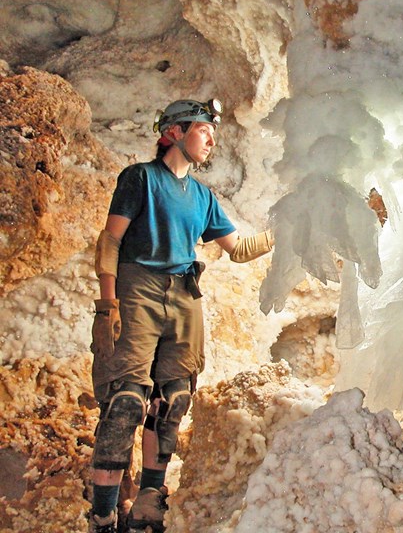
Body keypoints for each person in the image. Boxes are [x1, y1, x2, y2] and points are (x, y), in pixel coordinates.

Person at [88, 98, 273, 533]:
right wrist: (107, 304)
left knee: (173, 400)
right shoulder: (141, 179)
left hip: (184, 295)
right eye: (203, 128)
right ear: (173, 132)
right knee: (124, 402)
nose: (211, 138)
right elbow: (110, 242)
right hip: (139, 287)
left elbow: (240, 250)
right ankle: (102, 515)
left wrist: (294, 227)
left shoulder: (203, 196)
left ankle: (148, 504)